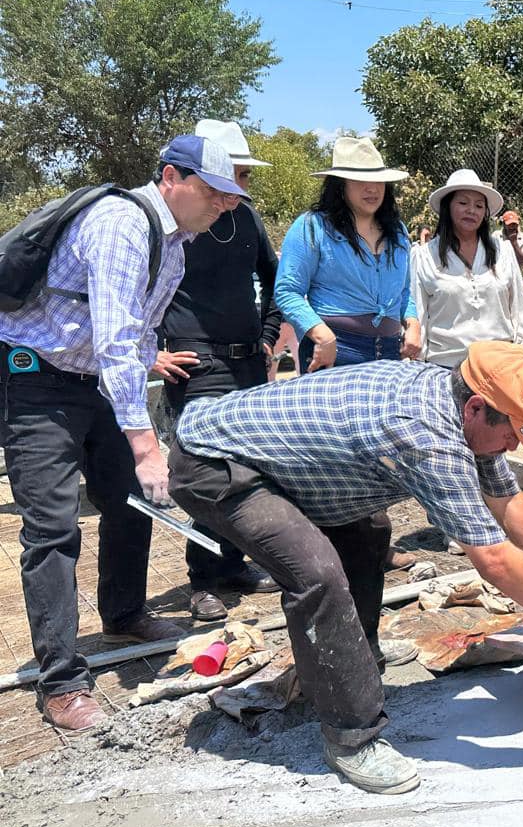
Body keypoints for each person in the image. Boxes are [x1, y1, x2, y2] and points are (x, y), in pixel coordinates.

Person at [169, 343, 523, 793]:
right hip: (218, 464)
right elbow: (495, 561)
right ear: (476, 408)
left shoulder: (464, 409)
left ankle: (353, 662)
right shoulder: (426, 435)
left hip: (286, 463)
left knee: (369, 532)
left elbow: (506, 498)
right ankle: (351, 737)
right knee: (317, 574)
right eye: (511, 434)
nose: (514, 447)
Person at [0, 134, 249, 730]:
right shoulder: (120, 223)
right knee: (54, 527)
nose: (224, 205)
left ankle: (124, 612)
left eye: (229, 196)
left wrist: (139, 436)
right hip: (37, 381)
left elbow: (136, 340)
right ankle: (59, 680)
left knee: (132, 501)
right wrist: (145, 441)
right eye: (213, 192)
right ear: (172, 177)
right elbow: (114, 337)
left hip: (96, 384)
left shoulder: (177, 247)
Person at [150, 120, 284, 621]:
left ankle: (234, 565)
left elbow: (277, 282)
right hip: (196, 361)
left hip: (248, 359)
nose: (239, 188)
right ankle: (203, 579)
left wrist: (268, 336)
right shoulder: (172, 224)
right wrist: (153, 354)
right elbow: (133, 296)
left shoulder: (247, 220)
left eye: (244, 177)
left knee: (251, 467)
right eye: (231, 177)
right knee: (207, 471)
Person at [275, 136, 420, 374]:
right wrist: (321, 335)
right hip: (334, 348)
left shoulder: (398, 231)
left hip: (390, 353)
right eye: (360, 180)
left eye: (378, 180)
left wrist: (413, 324)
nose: (372, 188)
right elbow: (287, 291)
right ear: (340, 184)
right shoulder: (312, 227)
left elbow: (403, 292)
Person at [414, 169, 523, 368]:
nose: (472, 210)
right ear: (447, 207)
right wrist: (417, 363)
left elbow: (519, 307)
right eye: (463, 203)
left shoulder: (502, 251)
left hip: (499, 367)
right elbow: (419, 313)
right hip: (445, 368)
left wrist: (522, 351)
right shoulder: (425, 255)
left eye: (479, 205)